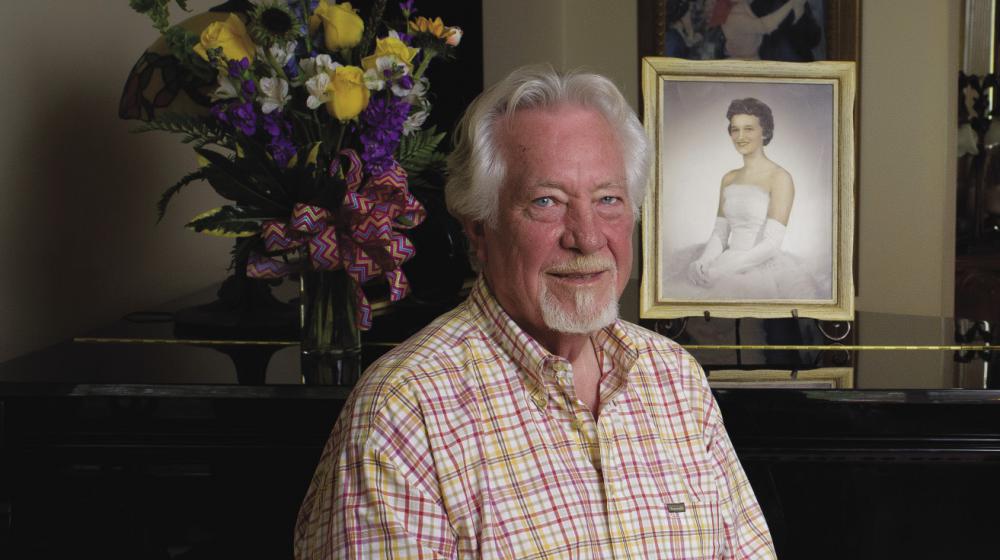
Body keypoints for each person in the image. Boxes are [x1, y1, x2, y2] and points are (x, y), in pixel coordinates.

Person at [294, 65, 776, 559]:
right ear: (479, 228)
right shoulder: (404, 410)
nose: (587, 238)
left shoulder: (675, 379)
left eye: (608, 199)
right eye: (547, 201)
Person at [673, 97, 821, 300]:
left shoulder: (780, 177)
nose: (740, 136)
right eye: (735, 129)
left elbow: (771, 243)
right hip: (725, 260)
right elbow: (720, 233)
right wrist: (703, 262)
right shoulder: (729, 178)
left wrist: (724, 270)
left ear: (765, 132)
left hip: (760, 265)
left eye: (749, 129)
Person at [711, 0, 808, 59]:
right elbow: (765, 26)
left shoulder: (737, 4)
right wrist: (791, 4)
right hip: (747, 59)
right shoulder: (732, 17)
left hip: (759, 47)